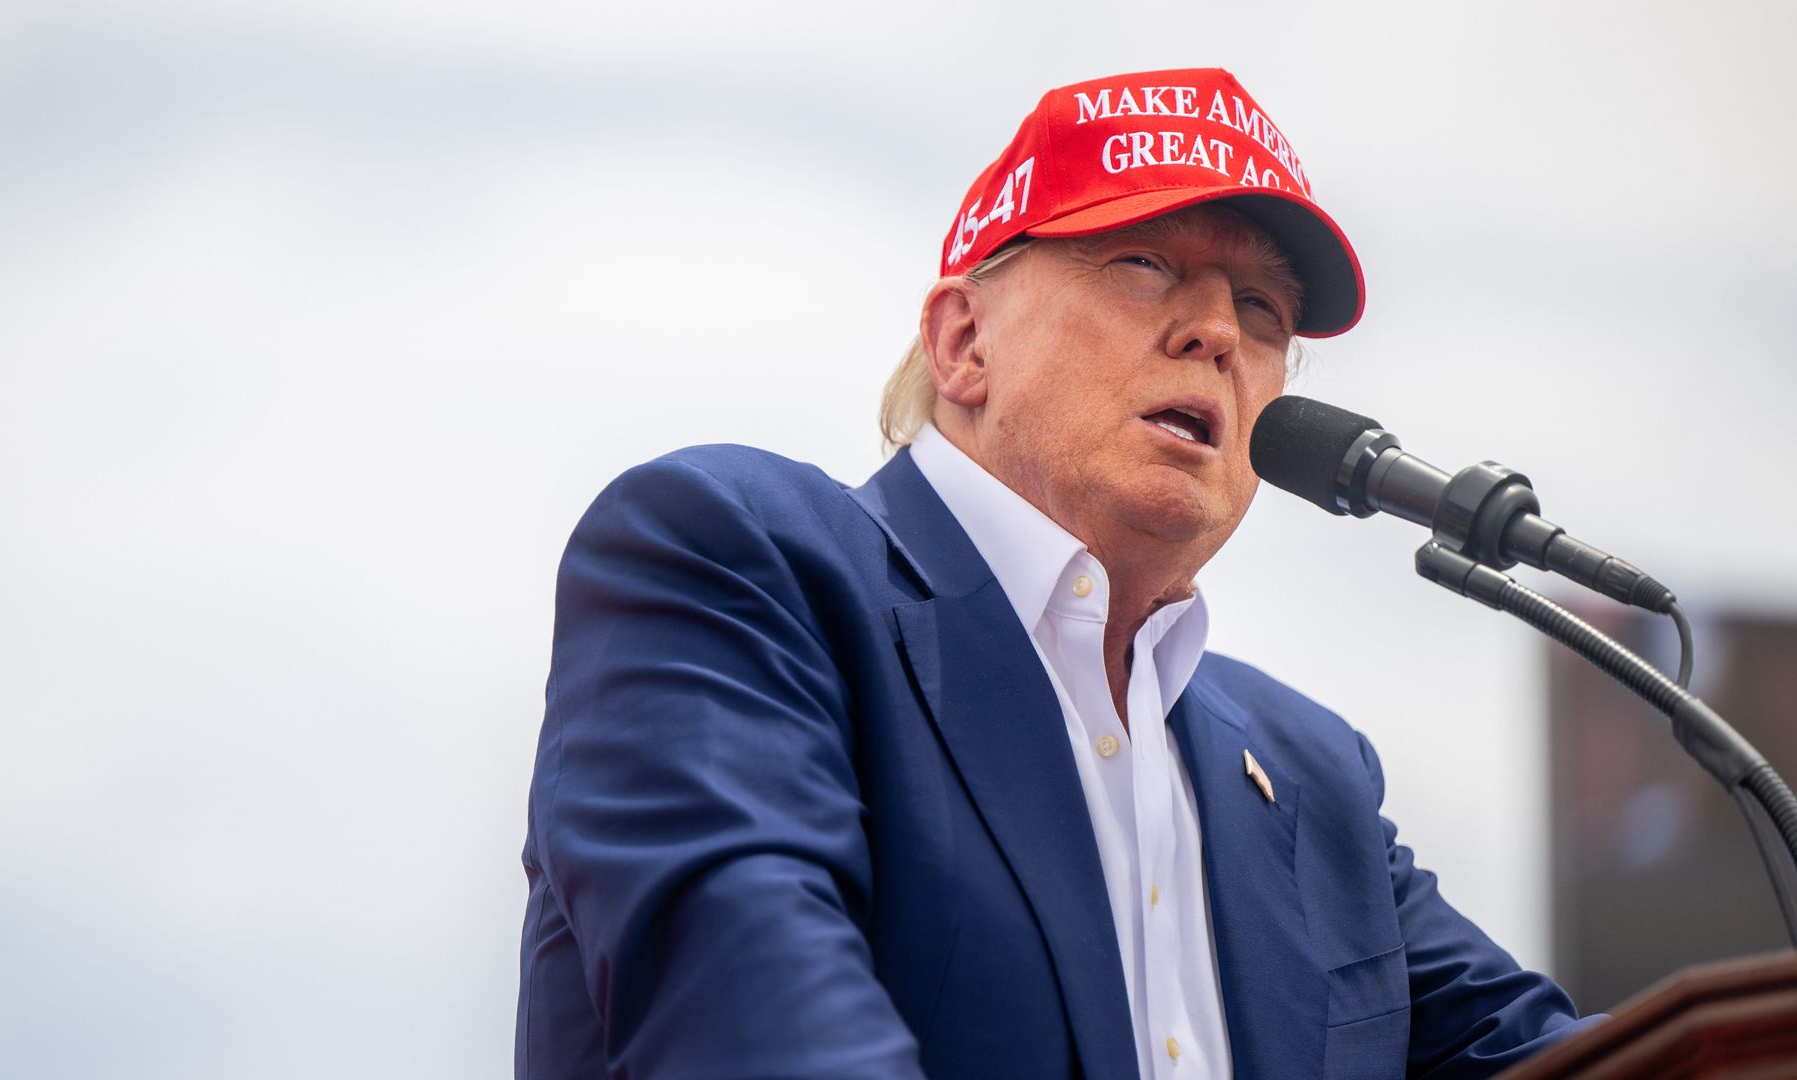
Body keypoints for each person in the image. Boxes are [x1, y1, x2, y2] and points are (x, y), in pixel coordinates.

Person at [516, 68, 1594, 1079]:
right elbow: (758, 1019)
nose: (1217, 329)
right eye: (1145, 265)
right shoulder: (738, 563)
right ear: (963, 340)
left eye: (1263, 309)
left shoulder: (1317, 776)